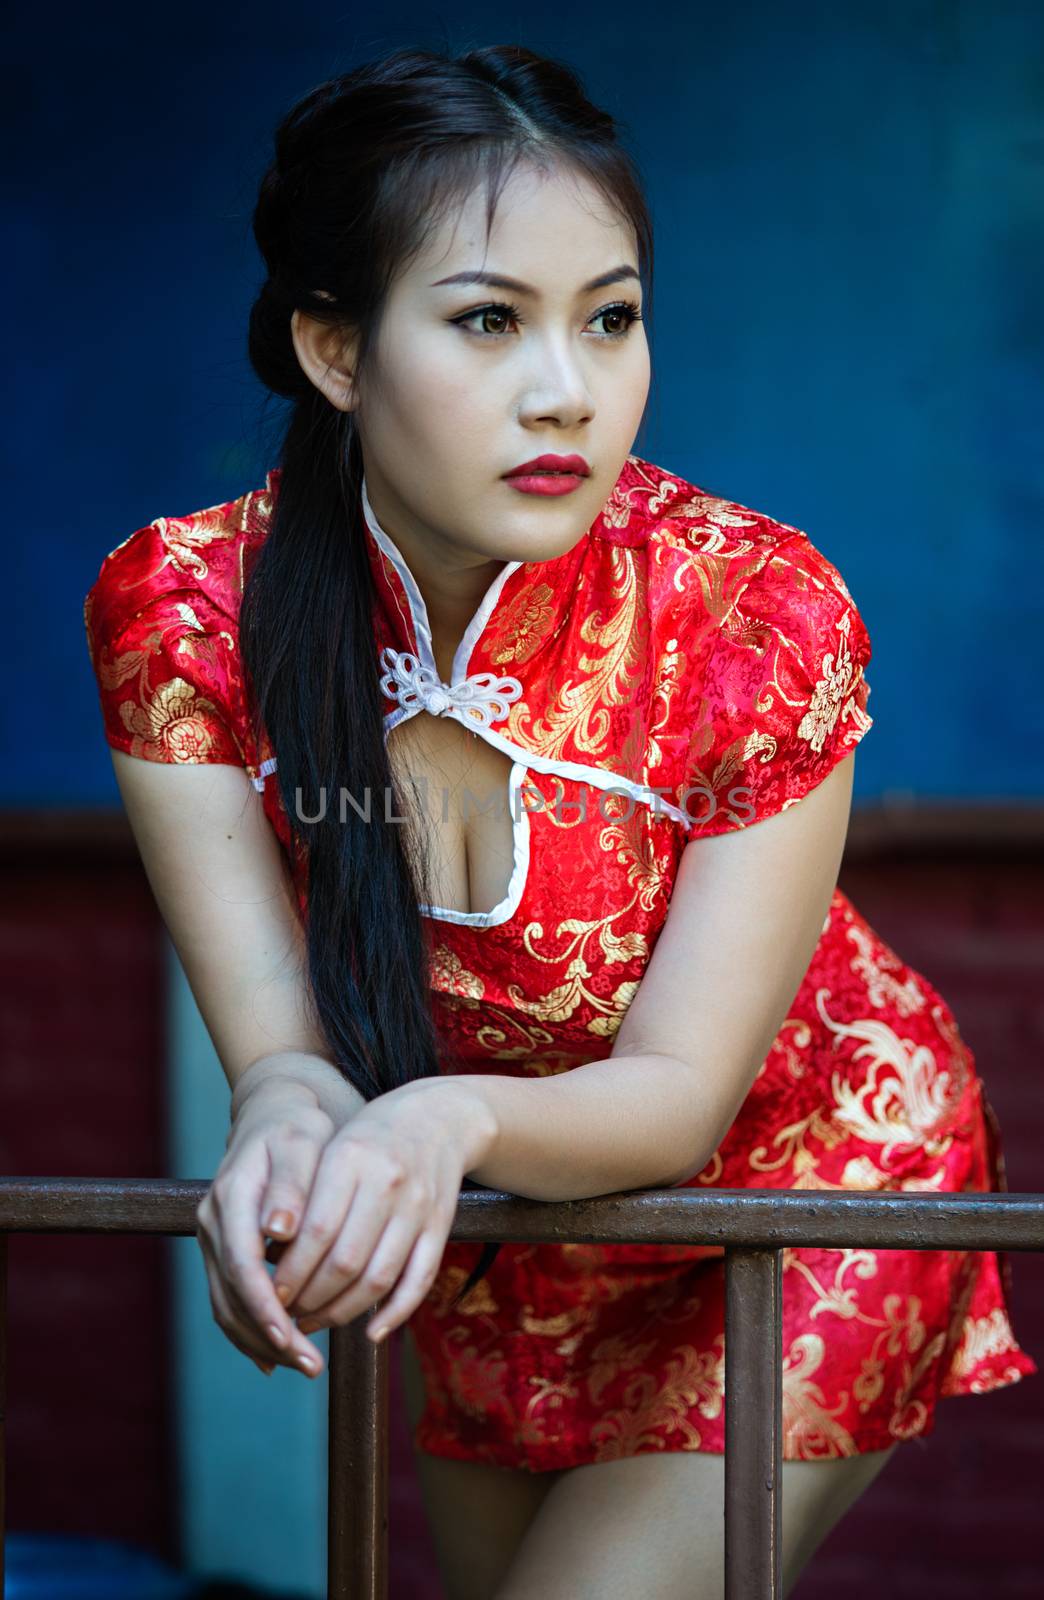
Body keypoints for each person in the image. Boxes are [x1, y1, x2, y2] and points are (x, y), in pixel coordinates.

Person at [82, 42, 1037, 1600]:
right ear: (336, 350)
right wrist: (283, 1131)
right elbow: (283, 1054)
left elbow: (671, 1092)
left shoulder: (755, 613)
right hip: (497, 1217)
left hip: (794, 1190)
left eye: (611, 318)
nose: (567, 392)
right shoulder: (186, 616)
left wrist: (445, 1126)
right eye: (486, 320)